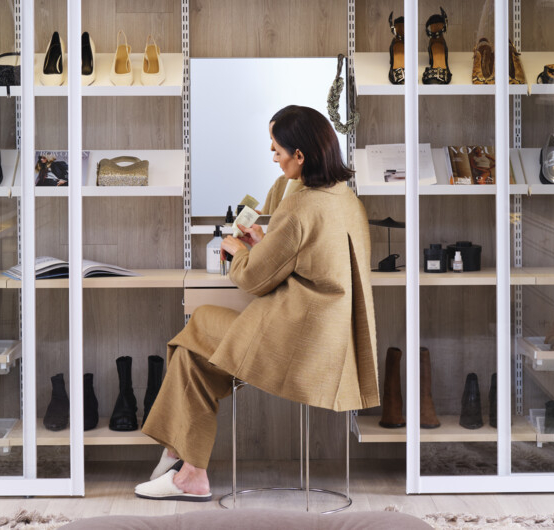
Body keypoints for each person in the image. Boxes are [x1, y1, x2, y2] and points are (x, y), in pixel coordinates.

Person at [133, 105, 380, 501]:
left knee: (193, 332)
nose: (273, 156)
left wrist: (236, 251)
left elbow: (254, 279)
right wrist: (266, 245)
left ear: (300, 155)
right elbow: (309, 259)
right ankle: (186, 465)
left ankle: (183, 459)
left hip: (296, 342)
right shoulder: (345, 199)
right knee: (196, 360)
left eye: (277, 149)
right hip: (331, 342)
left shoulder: (300, 206)